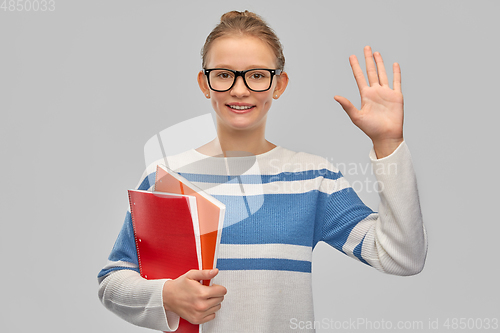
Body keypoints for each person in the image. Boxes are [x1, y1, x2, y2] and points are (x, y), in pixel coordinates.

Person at [97, 10, 427, 333]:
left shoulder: (313, 178)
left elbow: (403, 257)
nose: (240, 90)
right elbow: (113, 279)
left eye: (256, 75)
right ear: (205, 83)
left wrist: (388, 143)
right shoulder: (168, 177)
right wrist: (166, 296)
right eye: (224, 74)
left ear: (279, 84)